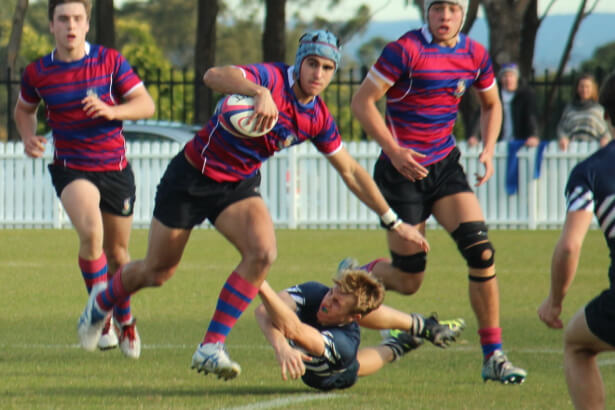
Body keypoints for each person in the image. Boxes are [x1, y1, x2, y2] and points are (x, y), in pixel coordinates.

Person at [75, 29, 430, 380]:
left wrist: (393, 221)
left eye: (326, 68)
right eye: (312, 64)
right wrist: (257, 92)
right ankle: (103, 301)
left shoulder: (317, 117)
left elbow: (351, 171)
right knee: (157, 270)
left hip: (237, 185)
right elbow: (212, 76)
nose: (317, 74)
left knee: (263, 253)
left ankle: (211, 346)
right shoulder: (270, 77)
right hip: (190, 177)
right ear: (299, 61)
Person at [349, 0, 527, 384]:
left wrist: (489, 148)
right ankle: (358, 274)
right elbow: (361, 102)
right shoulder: (404, 51)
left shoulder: (474, 54)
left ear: (463, 13)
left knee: (481, 251)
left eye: (452, 8)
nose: (444, 16)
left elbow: (492, 104)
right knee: (410, 281)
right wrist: (394, 151)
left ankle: (493, 355)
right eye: (437, 8)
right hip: (401, 173)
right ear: (426, 12)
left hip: (445, 166)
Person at [13, 0, 155, 358]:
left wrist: (112, 110)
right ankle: (101, 318)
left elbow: (145, 104)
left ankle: (123, 317)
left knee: (119, 256)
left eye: (77, 18)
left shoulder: (109, 62)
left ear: (87, 24)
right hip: (71, 166)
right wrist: (28, 137)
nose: (70, 25)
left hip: (115, 169)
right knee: (92, 234)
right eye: (63, 19)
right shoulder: (38, 72)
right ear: (51, 26)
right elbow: (23, 110)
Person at [538, 72, 615, 410]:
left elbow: (570, 246)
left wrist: (554, 301)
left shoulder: (591, 171)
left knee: (577, 344)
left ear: (606, 115)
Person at [255, 268, 466, 391]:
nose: (327, 301)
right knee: (295, 307)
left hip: (327, 375)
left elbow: (295, 331)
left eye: (336, 302)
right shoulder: (317, 292)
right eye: (332, 293)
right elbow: (263, 310)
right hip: (309, 332)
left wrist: (259, 281)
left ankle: (401, 344)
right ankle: (422, 326)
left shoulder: (344, 343)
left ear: (353, 319)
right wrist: (280, 345)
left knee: (354, 367)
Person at [467, 62, 540, 147]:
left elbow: (532, 118)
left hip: (520, 143)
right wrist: (474, 135)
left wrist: (534, 135)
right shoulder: (494, 95)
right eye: (505, 76)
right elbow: (482, 114)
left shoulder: (526, 95)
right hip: (496, 144)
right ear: (501, 79)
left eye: (511, 76)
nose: (508, 79)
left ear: (517, 78)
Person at [557, 73, 611, 151]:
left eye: (587, 87)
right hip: (571, 150)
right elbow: (561, 128)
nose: (584, 89)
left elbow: (607, 130)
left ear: (593, 89)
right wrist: (563, 137)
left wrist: (606, 138)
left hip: (594, 151)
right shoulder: (569, 108)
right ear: (577, 88)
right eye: (582, 86)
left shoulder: (599, 109)